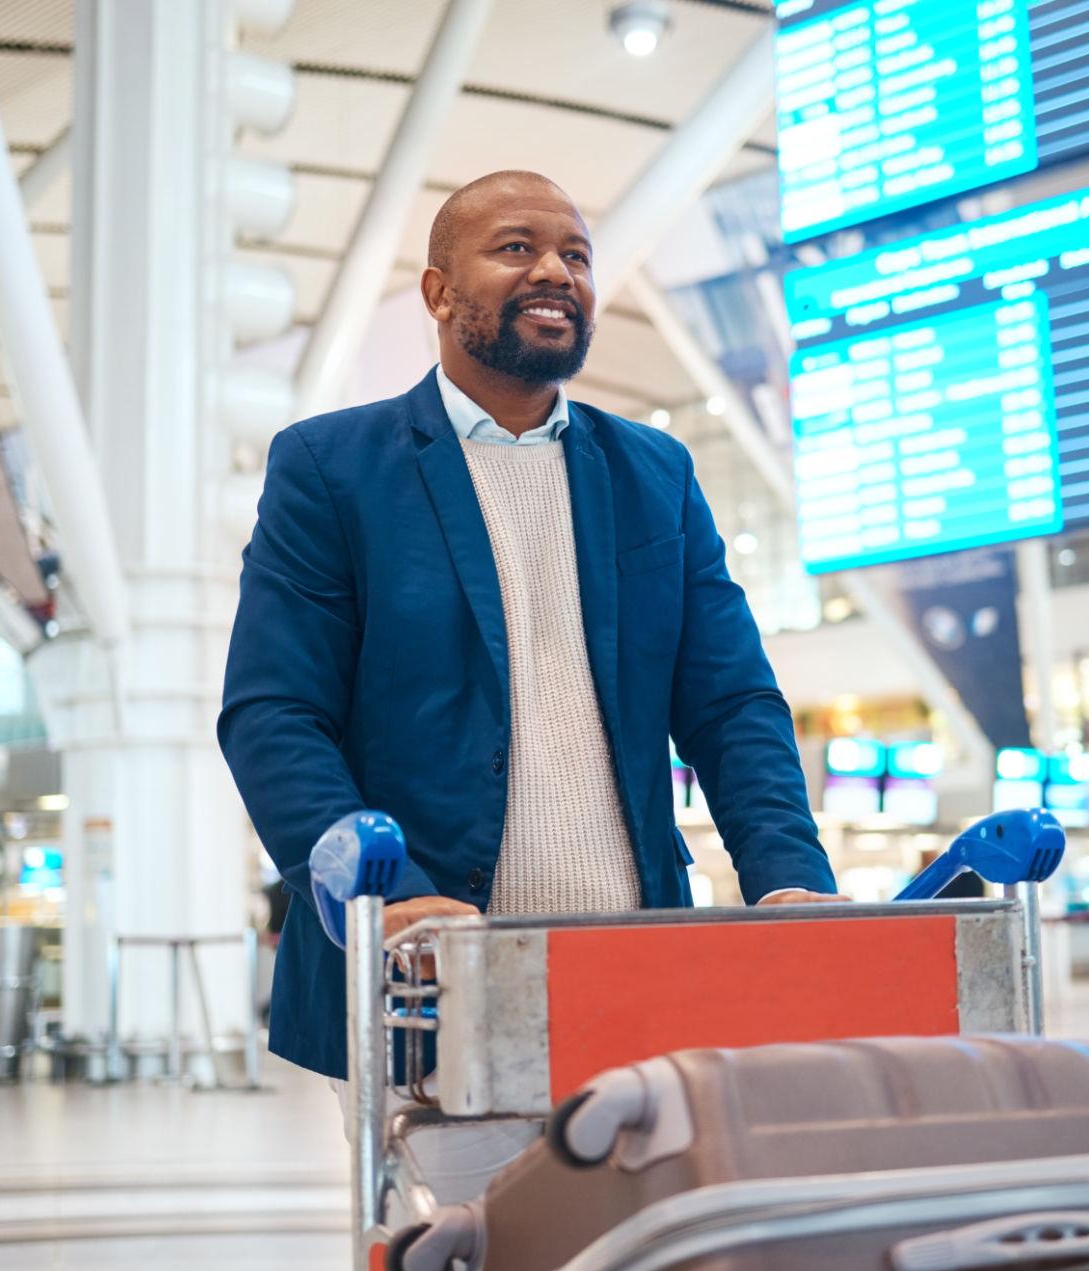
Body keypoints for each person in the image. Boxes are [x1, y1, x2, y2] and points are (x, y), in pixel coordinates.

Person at [219, 170, 841, 1090]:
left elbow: (730, 701)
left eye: (576, 255)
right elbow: (273, 712)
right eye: (517, 247)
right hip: (423, 974)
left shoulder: (654, 475)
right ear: (438, 291)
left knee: (638, 1224)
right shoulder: (333, 468)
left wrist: (787, 874)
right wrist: (381, 891)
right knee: (458, 1235)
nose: (556, 270)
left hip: (633, 959)